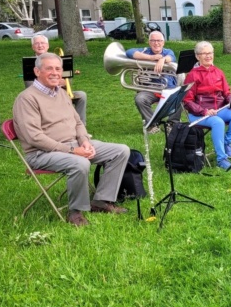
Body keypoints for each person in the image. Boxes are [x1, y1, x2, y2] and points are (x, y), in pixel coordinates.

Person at [13, 53, 130, 227]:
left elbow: (77, 122)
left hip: (73, 145)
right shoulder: (26, 98)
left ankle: (102, 201)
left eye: (58, 69)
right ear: (37, 71)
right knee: (80, 163)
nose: (55, 72)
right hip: (42, 153)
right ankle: (75, 213)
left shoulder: (60, 92)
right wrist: (72, 151)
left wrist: (84, 141)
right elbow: (34, 137)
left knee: (121, 150)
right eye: (49, 68)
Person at [182, 41, 231, 171]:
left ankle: (227, 142)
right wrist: (204, 111)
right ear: (197, 56)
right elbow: (187, 101)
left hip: (219, 109)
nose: (208, 56)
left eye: (210, 53)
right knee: (218, 122)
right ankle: (221, 159)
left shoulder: (218, 72)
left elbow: (227, 92)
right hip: (198, 114)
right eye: (204, 53)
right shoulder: (192, 75)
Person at [125, 30, 181, 132]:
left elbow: (171, 57)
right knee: (140, 99)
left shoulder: (168, 52)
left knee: (179, 95)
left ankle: (172, 123)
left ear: (163, 42)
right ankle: (152, 124)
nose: (156, 43)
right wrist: (151, 58)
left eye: (159, 40)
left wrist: (162, 60)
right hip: (150, 90)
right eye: (153, 40)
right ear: (149, 42)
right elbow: (128, 52)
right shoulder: (144, 51)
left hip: (168, 88)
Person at [27, 34, 88, 125]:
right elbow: (29, 85)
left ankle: (81, 126)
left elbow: (67, 78)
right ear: (33, 47)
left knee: (82, 95)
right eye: (37, 43)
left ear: (47, 46)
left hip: (60, 92)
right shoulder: (29, 63)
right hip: (41, 95)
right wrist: (51, 83)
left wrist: (64, 83)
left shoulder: (57, 60)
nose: (40, 45)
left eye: (43, 43)